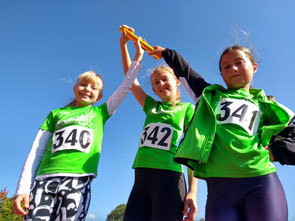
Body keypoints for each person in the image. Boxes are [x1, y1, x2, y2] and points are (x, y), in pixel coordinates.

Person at [149, 45, 295, 221]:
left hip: (260, 181)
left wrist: (276, 151)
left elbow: (292, 136)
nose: (233, 68)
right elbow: (187, 73)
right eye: (226, 66)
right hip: (219, 189)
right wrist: (167, 54)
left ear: (254, 67)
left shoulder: (266, 105)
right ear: (222, 74)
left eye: (239, 62)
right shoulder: (210, 96)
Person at [13, 38, 144, 221]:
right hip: (45, 180)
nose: (87, 89)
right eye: (83, 84)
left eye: (93, 87)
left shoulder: (101, 112)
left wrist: (136, 54)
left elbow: (126, 86)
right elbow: (36, 151)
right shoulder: (56, 114)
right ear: (75, 88)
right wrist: (22, 189)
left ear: (100, 96)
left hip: (79, 181)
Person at [120, 25, 198, 221]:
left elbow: (193, 153)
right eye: (156, 82)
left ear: (177, 81)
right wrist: (124, 46)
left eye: (165, 79)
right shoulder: (150, 106)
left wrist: (193, 193)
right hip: (141, 179)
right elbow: (130, 81)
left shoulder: (187, 110)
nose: (160, 84)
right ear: (153, 89)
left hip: (170, 179)